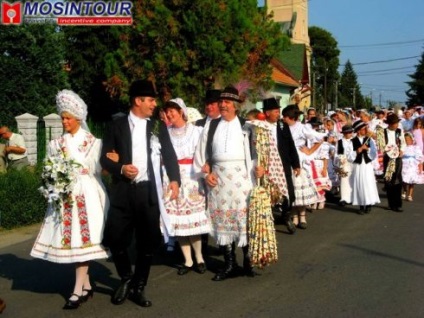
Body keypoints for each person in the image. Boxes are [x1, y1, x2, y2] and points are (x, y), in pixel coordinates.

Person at [100, 80, 181, 308]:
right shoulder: (116, 126)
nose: (155, 104)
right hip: (123, 191)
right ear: (138, 101)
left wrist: (175, 179)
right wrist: (121, 168)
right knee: (115, 238)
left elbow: (170, 154)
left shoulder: (157, 126)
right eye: (151, 100)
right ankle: (126, 277)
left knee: (148, 242)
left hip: (148, 192)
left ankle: (138, 286)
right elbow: (104, 157)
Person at [30, 90, 110, 309]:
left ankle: (77, 290)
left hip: (87, 195)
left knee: (83, 240)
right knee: (73, 240)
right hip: (64, 197)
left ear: (79, 119)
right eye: (63, 117)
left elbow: (99, 169)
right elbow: (48, 167)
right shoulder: (55, 144)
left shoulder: (93, 142)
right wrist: (53, 180)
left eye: (68, 118)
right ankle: (85, 285)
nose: (65, 121)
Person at [194, 86, 256, 281]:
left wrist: (259, 169)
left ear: (236, 106)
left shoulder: (247, 127)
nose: (222, 105)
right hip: (218, 182)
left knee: (244, 221)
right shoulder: (211, 127)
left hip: (242, 181)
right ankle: (230, 264)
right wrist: (206, 175)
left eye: (227, 102)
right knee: (222, 221)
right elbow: (200, 156)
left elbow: (256, 155)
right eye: (221, 102)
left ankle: (248, 260)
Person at [162, 98, 210, 275]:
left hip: (192, 178)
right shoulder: (165, 133)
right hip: (172, 180)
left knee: (193, 222)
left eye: (172, 111)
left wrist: (206, 166)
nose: (169, 115)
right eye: (167, 112)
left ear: (181, 111)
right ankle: (188, 260)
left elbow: (206, 153)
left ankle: (199, 258)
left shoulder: (197, 131)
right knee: (179, 223)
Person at [260, 97, 300, 234]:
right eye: (276, 111)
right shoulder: (260, 126)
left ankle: (286, 216)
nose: (278, 114)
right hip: (266, 165)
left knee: (288, 193)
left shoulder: (283, 126)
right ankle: (268, 219)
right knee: (268, 194)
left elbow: (291, 145)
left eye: (279, 111)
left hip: (283, 164)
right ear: (267, 113)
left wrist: (296, 164)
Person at [281, 105, 322, 230]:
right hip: (288, 159)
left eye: (285, 117)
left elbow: (319, 139)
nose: (283, 119)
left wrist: (309, 151)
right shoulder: (283, 128)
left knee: (300, 188)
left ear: (291, 117)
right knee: (291, 189)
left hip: (299, 157)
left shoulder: (303, 127)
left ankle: (302, 216)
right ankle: (294, 216)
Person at [346, 120, 380, 214]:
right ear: (358, 130)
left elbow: (374, 153)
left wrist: (368, 149)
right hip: (358, 166)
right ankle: (361, 205)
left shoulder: (369, 140)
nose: (365, 130)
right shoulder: (352, 141)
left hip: (367, 165)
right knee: (359, 184)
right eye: (363, 129)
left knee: (368, 183)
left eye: (365, 128)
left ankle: (368, 204)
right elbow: (348, 156)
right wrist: (357, 151)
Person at [381, 113, 406, 212]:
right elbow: (381, 145)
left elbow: (403, 143)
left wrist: (402, 151)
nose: (396, 125)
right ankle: (391, 204)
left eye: (396, 123)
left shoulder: (399, 131)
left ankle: (398, 204)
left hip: (398, 158)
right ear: (390, 124)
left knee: (397, 179)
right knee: (388, 180)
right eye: (394, 123)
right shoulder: (383, 132)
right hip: (388, 157)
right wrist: (387, 150)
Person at [334, 125, 354, 206]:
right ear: (344, 133)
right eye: (348, 132)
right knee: (344, 180)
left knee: (353, 180)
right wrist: (340, 159)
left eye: (350, 132)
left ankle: (353, 197)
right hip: (344, 163)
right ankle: (344, 198)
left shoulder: (355, 141)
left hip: (353, 163)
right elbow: (336, 153)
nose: (350, 134)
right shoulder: (339, 142)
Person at [401, 132, 424, 201]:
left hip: (413, 166)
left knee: (412, 180)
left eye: (408, 140)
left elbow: (420, 158)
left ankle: (410, 195)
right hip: (405, 165)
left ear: (412, 140)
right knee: (404, 179)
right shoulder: (403, 148)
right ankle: (404, 190)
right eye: (405, 140)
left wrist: (420, 167)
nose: (407, 141)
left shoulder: (416, 148)